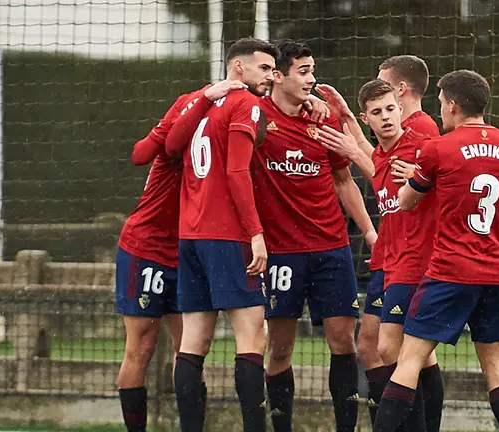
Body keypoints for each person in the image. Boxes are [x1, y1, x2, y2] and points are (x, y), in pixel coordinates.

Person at [372, 70, 499, 432]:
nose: (440, 110)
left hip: (449, 272)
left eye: (441, 103)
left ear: (453, 105)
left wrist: (416, 179)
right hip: (495, 274)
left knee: (409, 360)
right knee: (496, 367)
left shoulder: (437, 148)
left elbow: (406, 202)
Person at [251, 40, 377, 432]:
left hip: (331, 248)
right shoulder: (255, 118)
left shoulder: (321, 120)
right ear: (278, 76)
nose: (311, 79)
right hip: (282, 254)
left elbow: (344, 180)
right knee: (280, 350)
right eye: (303, 71)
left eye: (312, 70)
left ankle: (347, 428)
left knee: (345, 343)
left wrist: (371, 233)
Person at [314, 55, 445, 431]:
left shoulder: (420, 142)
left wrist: (354, 151)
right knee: (390, 349)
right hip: (390, 259)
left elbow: (421, 187)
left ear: (400, 105)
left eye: (391, 108)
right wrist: (347, 120)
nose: (387, 116)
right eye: (378, 112)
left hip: (415, 261)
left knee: (397, 351)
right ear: (369, 118)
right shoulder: (384, 150)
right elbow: (375, 161)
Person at [114, 78, 246, 432]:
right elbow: (140, 153)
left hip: (189, 251)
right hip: (147, 249)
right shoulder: (177, 142)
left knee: (189, 348)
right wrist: (201, 98)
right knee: (141, 345)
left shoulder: (228, 142)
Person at [163, 37, 279, 432]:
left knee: (193, 342)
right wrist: (256, 233)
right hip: (228, 236)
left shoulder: (204, 101)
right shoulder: (243, 102)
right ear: (238, 68)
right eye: (264, 68)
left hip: (191, 235)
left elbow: (171, 145)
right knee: (252, 338)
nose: (271, 76)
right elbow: (235, 171)